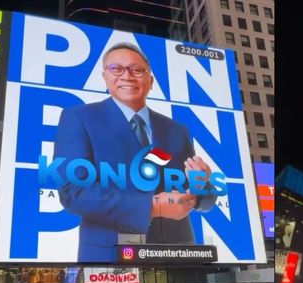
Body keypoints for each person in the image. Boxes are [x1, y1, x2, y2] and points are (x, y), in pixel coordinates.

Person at [54, 42, 216, 261]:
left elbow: (205, 199)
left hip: (177, 252)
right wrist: (151, 207)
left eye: (137, 70)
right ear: (105, 77)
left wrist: (200, 188)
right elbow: (72, 192)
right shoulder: (78, 118)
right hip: (110, 253)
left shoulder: (177, 130)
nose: (127, 76)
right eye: (116, 69)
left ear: (150, 81)